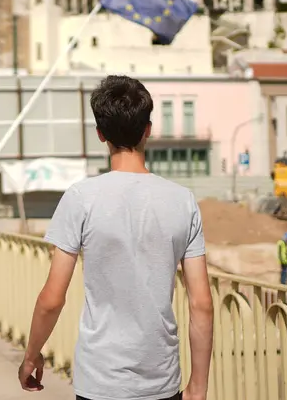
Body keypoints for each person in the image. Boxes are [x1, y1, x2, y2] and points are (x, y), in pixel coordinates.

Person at [18, 75, 214, 400]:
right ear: (148, 129)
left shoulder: (81, 197)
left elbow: (52, 299)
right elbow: (202, 305)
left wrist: (31, 354)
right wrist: (198, 387)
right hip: (161, 381)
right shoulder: (183, 201)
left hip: (100, 381)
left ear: (100, 134)